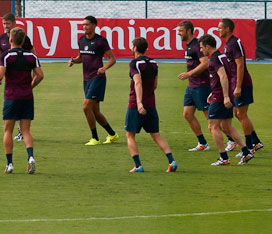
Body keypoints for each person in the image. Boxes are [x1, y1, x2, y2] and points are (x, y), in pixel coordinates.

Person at [124, 38, 177, 173]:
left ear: (135, 47)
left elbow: (138, 83)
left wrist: (139, 103)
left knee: (130, 135)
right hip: (151, 104)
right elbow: (155, 85)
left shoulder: (135, 63)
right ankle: (172, 161)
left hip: (136, 105)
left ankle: (138, 166)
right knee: (156, 135)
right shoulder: (154, 63)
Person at [199, 35, 253, 166]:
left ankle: (224, 157)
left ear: (207, 46)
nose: (201, 51)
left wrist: (224, 96)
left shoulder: (213, 60)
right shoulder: (222, 56)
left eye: (201, 48)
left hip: (221, 97)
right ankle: (246, 151)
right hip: (223, 94)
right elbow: (227, 75)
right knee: (227, 126)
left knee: (213, 126)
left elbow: (223, 76)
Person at [0, 27, 42, 174]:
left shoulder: (6, 56)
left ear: (10, 40)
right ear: (23, 41)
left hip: (11, 97)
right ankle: (30, 157)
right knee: (26, 130)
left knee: (7, 130)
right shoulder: (31, 56)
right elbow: (40, 75)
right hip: (27, 97)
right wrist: (30, 86)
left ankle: (9, 164)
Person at [68, 15, 118, 145]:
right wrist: (74, 60)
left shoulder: (101, 41)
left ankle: (95, 138)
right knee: (95, 111)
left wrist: (104, 68)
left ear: (94, 25)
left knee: (86, 107)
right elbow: (81, 58)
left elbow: (112, 59)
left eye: (87, 24)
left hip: (98, 78)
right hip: (86, 79)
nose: (85, 27)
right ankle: (112, 134)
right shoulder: (81, 40)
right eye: (83, 24)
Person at [218, 18, 262, 155]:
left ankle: (249, 146)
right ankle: (255, 142)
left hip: (242, 84)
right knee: (238, 114)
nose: (218, 30)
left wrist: (238, 86)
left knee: (241, 114)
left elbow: (240, 65)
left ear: (227, 29)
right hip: (234, 83)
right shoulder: (228, 44)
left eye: (220, 28)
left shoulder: (234, 43)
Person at [0, 13, 34, 141]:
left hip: (22, 76)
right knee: (15, 103)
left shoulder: (23, 38)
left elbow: (32, 53)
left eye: (8, 23)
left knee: (17, 104)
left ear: (14, 23)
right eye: (4, 23)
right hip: (8, 77)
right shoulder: (2, 38)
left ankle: (21, 132)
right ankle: (21, 132)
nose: (5, 26)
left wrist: (35, 67)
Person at [175, 20, 211, 151]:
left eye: (180, 31)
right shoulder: (188, 45)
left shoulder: (197, 45)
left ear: (189, 31)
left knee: (210, 117)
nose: (178, 33)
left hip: (202, 85)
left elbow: (205, 63)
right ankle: (203, 143)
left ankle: (231, 140)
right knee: (187, 114)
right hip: (192, 86)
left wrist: (188, 74)